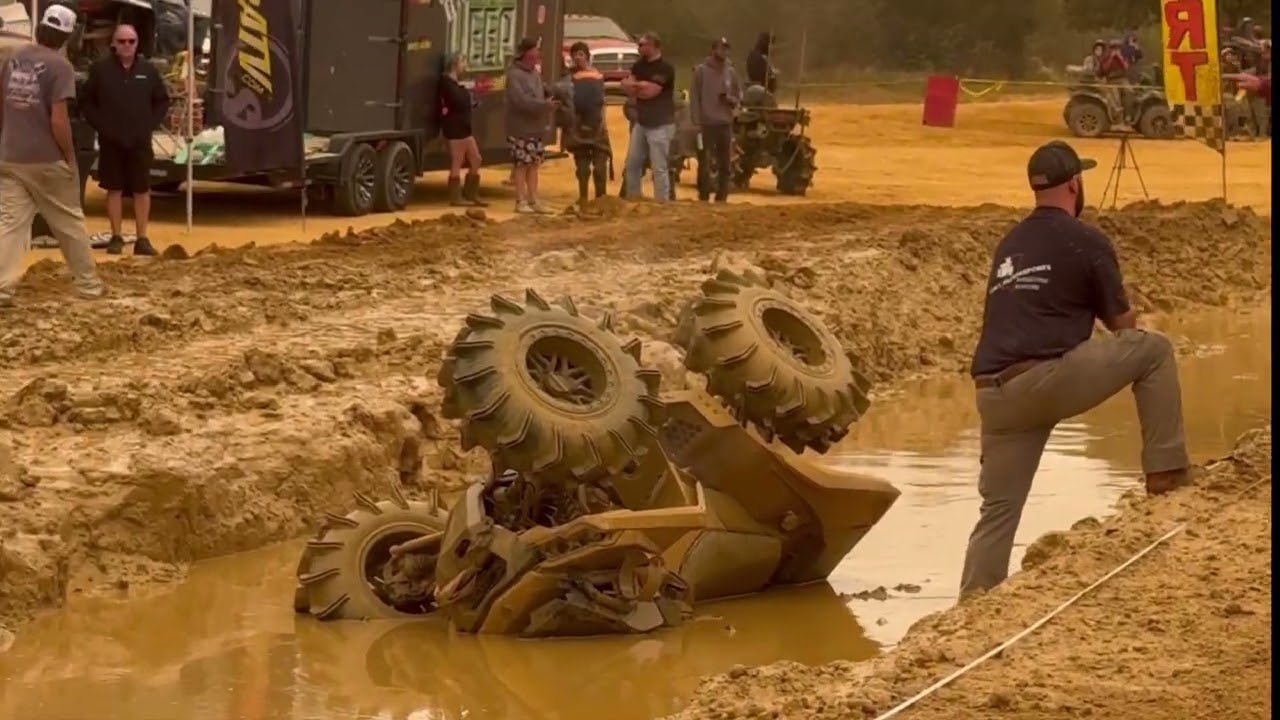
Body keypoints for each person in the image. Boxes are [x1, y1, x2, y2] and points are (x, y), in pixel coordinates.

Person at [958, 140, 1194, 599]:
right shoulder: (1085, 240)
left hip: (994, 395)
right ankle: (1166, 472)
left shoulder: (1011, 242)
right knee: (1154, 351)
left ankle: (974, 602)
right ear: (1075, 184)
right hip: (1045, 380)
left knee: (998, 511)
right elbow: (1121, 326)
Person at [0, 3, 105, 307]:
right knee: (69, 222)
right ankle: (88, 285)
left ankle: (2, 288)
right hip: (45, 158)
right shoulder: (60, 67)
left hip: (10, 155)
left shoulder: (14, 57)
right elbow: (58, 119)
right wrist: (69, 156)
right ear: (67, 35)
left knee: (9, 224)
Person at [79, 22, 170, 256]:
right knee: (114, 189)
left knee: (142, 189)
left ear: (137, 43)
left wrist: (149, 124)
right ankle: (116, 236)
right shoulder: (100, 70)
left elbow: (162, 100)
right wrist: (102, 126)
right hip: (111, 142)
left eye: (131, 41)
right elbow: (86, 102)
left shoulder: (148, 70)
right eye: (122, 41)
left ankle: (142, 239)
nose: (127, 45)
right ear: (113, 44)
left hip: (140, 141)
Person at [504, 37, 556, 214]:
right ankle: (520, 200)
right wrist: (543, 105)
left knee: (534, 164)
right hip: (520, 128)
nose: (538, 54)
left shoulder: (535, 73)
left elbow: (541, 91)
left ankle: (533, 199)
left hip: (536, 127)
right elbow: (520, 101)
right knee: (521, 164)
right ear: (525, 53)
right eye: (535, 50)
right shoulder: (513, 75)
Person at [621, 32, 676, 201]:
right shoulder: (638, 66)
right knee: (632, 164)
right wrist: (640, 86)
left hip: (660, 123)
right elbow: (627, 88)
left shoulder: (665, 68)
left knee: (659, 167)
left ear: (653, 46)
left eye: (642, 45)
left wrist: (636, 86)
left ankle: (661, 202)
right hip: (642, 121)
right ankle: (633, 198)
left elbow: (651, 92)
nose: (639, 47)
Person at [555, 42, 611, 205]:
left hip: (597, 126)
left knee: (600, 167)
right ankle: (583, 198)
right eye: (575, 55)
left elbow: (602, 102)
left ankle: (602, 199)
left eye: (580, 54)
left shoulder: (598, 76)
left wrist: (604, 124)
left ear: (587, 55)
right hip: (577, 126)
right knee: (582, 167)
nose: (578, 58)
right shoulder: (568, 78)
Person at [690, 37, 741, 203]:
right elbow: (694, 97)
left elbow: (738, 94)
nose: (724, 52)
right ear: (713, 50)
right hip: (706, 124)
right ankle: (704, 194)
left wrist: (732, 101)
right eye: (721, 48)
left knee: (725, 162)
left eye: (727, 49)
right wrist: (696, 121)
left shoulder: (730, 72)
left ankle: (722, 195)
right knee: (704, 160)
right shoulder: (701, 71)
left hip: (724, 123)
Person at [438, 52, 487, 207]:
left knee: (476, 159)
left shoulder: (455, 84)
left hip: (464, 127)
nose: (464, 66)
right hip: (455, 127)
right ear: (455, 65)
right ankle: (456, 197)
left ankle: (470, 194)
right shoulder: (446, 83)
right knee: (457, 161)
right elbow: (455, 102)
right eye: (462, 62)